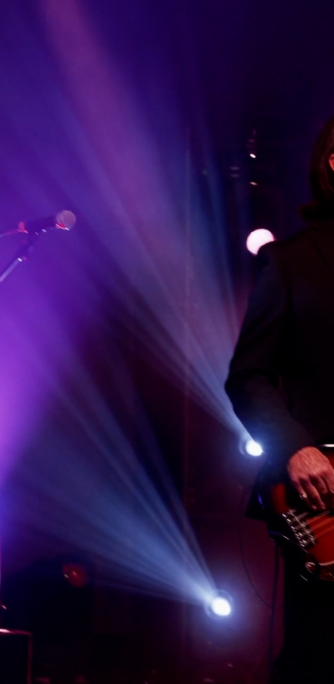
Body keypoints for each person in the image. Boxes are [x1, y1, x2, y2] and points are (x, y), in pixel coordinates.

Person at [226, 116, 334, 684]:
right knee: (319, 652)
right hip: (323, 495)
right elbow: (247, 378)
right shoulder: (289, 262)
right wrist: (295, 448)